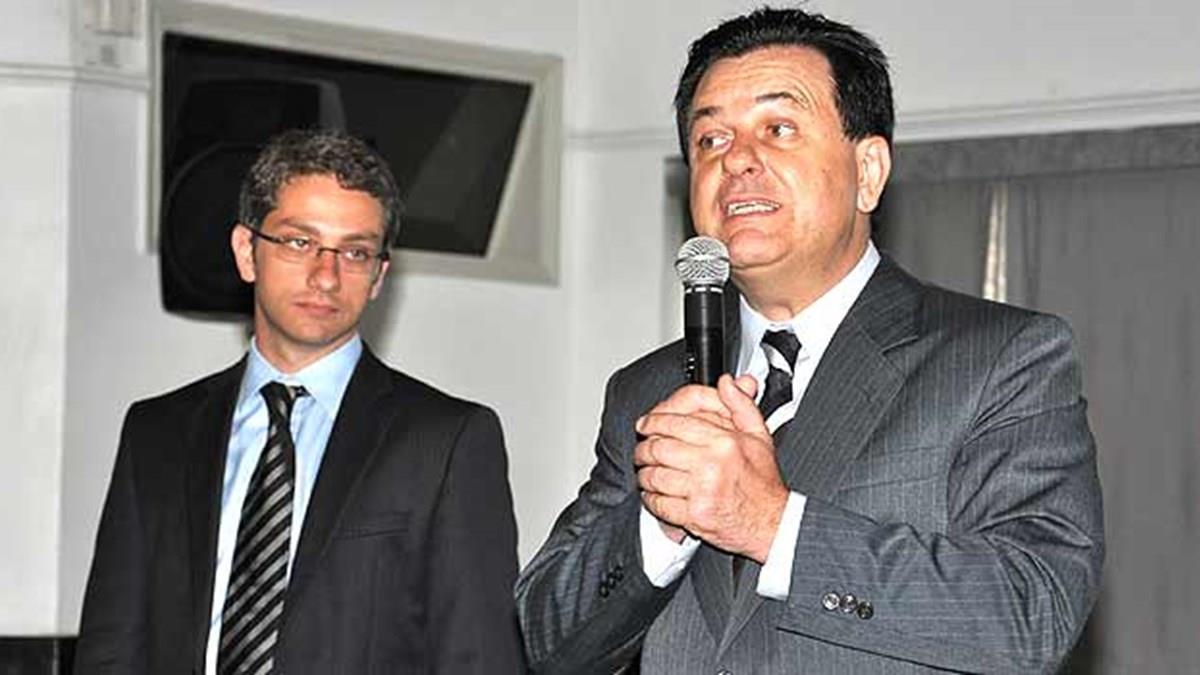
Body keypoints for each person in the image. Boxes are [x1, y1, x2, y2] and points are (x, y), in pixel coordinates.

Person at [515, 7, 1104, 673]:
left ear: (868, 171)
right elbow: (543, 638)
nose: (737, 159)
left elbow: (1033, 613)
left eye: (778, 128)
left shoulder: (999, 359)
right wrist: (661, 523)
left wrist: (771, 524)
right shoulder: (648, 391)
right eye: (710, 139)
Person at [75, 129, 525, 674]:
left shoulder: (445, 441)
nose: (326, 276)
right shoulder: (158, 433)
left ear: (379, 276)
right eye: (298, 242)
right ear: (247, 252)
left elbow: (480, 658)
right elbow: (111, 652)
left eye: (355, 252)